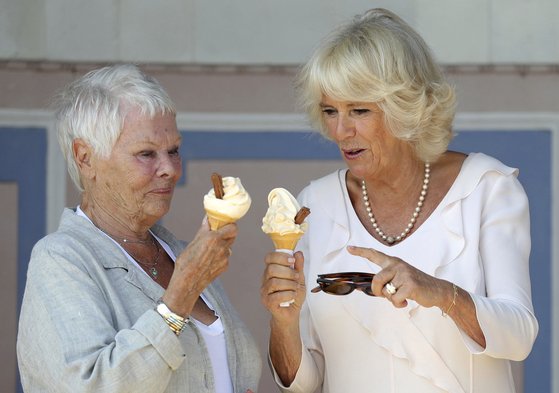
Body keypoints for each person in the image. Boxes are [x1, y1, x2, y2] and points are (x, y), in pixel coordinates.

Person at [260, 8, 538, 393]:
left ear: (405, 107)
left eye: (359, 110)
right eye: (330, 111)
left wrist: (439, 293)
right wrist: (283, 323)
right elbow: (304, 383)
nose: (341, 131)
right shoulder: (316, 205)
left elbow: (519, 334)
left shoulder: (485, 188)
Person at [17, 64, 261, 392]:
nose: (171, 170)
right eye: (146, 154)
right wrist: (181, 294)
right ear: (85, 157)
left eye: (173, 150)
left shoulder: (178, 252)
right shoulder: (61, 260)